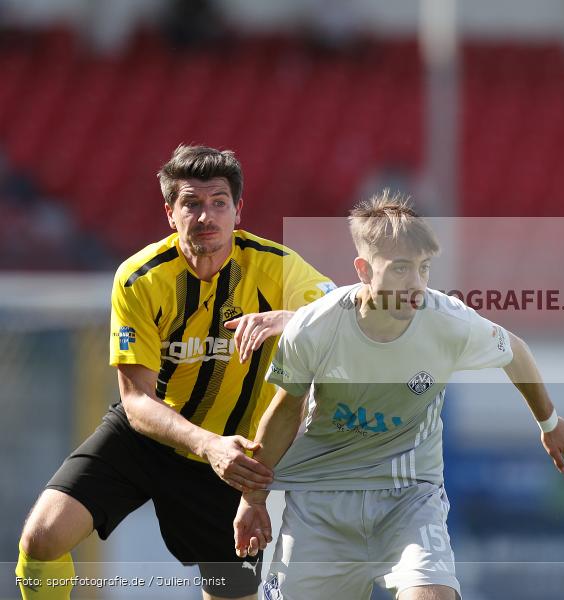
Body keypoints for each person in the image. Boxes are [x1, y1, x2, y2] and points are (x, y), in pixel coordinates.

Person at [232, 191, 564, 600]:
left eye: (424, 268)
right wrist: (253, 498)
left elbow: (515, 351)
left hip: (408, 498)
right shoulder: (314, 326)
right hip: (321, 502)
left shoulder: (448, 321)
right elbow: (284, 414)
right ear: (364, 270)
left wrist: (549, 423)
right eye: (401, 268)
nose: (416, 284)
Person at [16, 145, 334, 600]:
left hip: (234, 459)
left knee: (229, 593)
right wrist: (206, 444)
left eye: (219, 202)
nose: (206, 216)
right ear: (170, 213)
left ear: (238, 211)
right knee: (42, 539)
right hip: (149, 437)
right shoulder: (140, 278)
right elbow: (136, 401)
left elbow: (346, 313)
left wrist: (290, 319)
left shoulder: (277, 267)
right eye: (191, 203)